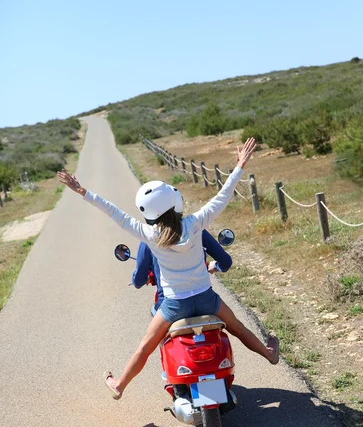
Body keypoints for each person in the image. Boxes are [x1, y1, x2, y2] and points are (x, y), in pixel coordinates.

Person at [57, 137, 279, 400]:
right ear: (175, 201)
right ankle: (269, 354)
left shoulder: (148, 234)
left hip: (174, 305)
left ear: (147, 211)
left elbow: (114, 213)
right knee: (238, 328)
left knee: (145, 347)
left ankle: (119, 386)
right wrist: (240, 165)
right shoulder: (196, 223)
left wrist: (83, 191)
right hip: (207, 299)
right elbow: (223, 197)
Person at [132, 229, 233, 315]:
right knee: (239, 329)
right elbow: (226, 262)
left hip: (171, 305)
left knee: (149, 337)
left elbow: (138, 281)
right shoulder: (196, 228)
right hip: (206, 301)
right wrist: (217, 266)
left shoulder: (149, 237)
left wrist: (145, 278)